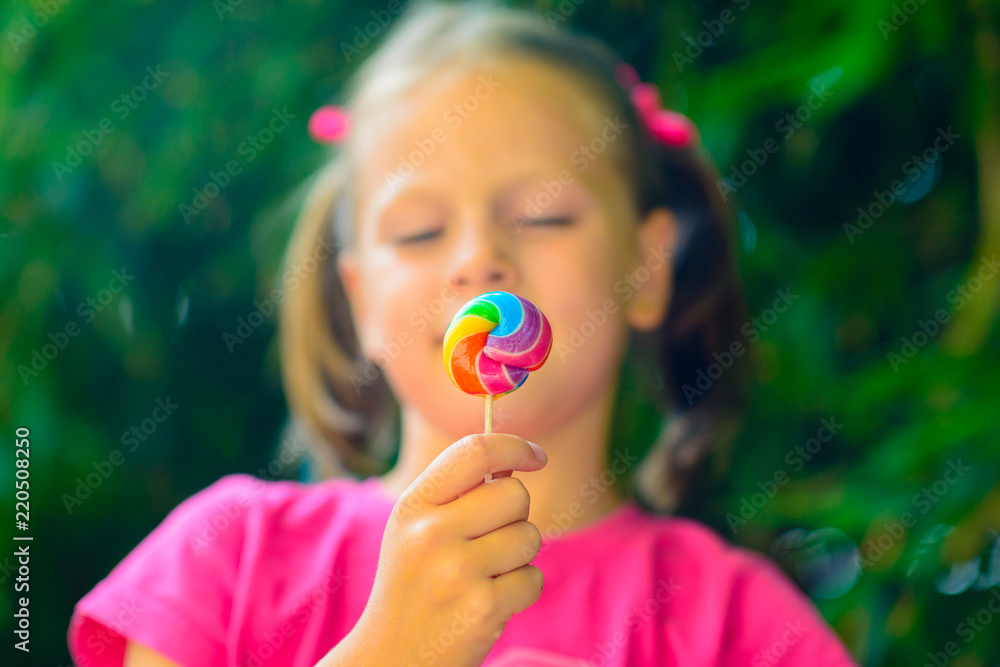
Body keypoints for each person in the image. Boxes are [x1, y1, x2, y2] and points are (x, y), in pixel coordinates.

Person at [68, 1, 859, 665]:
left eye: (545, 215)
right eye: (418, 232)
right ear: (362, 302)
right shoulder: (226, 558)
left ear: (646, 268)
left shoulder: (744, 624)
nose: (479, 257)